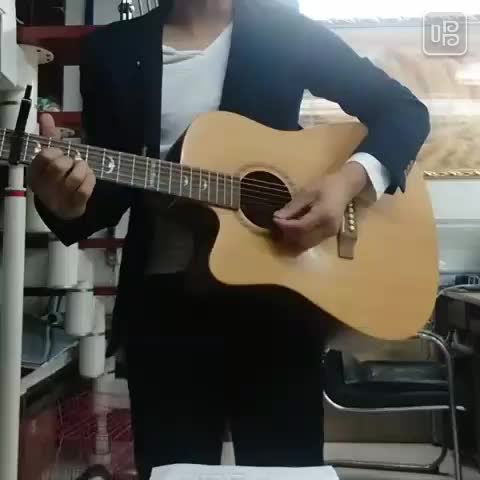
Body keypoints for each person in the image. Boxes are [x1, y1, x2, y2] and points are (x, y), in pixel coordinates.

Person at [29, 1, 430, 478]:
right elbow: (110, 192)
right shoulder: (112, 50)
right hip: (166, 312)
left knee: (284, 473)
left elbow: (403, 111)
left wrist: (347, 182)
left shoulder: (283, 32)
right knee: (173, 471)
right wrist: (65, 201)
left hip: (278, 302)